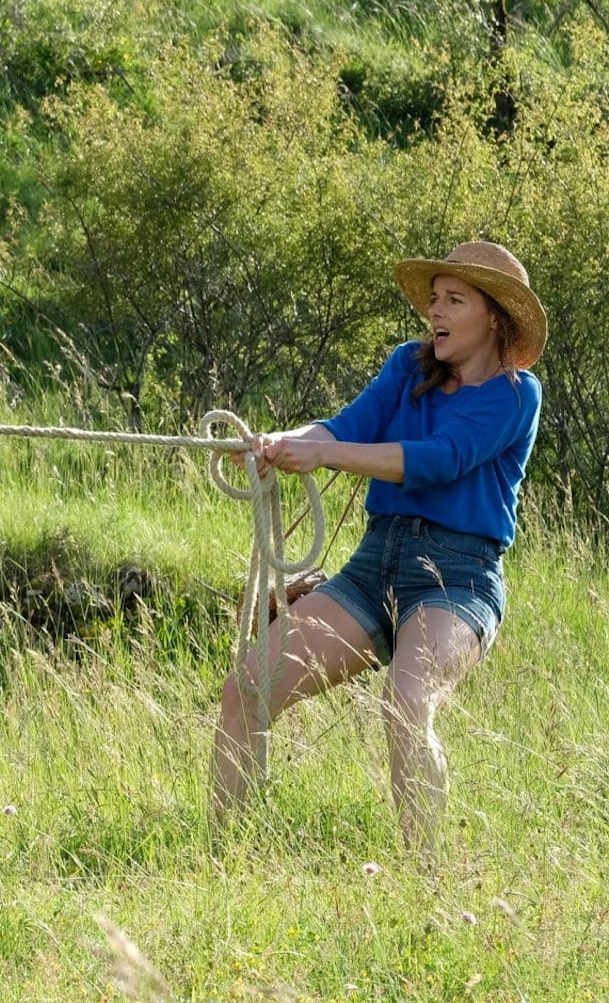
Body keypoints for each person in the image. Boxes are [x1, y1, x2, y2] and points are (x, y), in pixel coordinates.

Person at [210, 240, 544, 854]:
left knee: (407, 699)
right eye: (434, 300)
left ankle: (425, 880)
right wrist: (287, 442)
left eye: (453, 300)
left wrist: (323, 453)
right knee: (248, 687)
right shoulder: (406, 366)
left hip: (459, 578)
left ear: (493, 316)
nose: (435, 313)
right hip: (373, 565)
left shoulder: (517, 393)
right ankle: (225, 860)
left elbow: (440, 460)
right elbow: (344, 428)